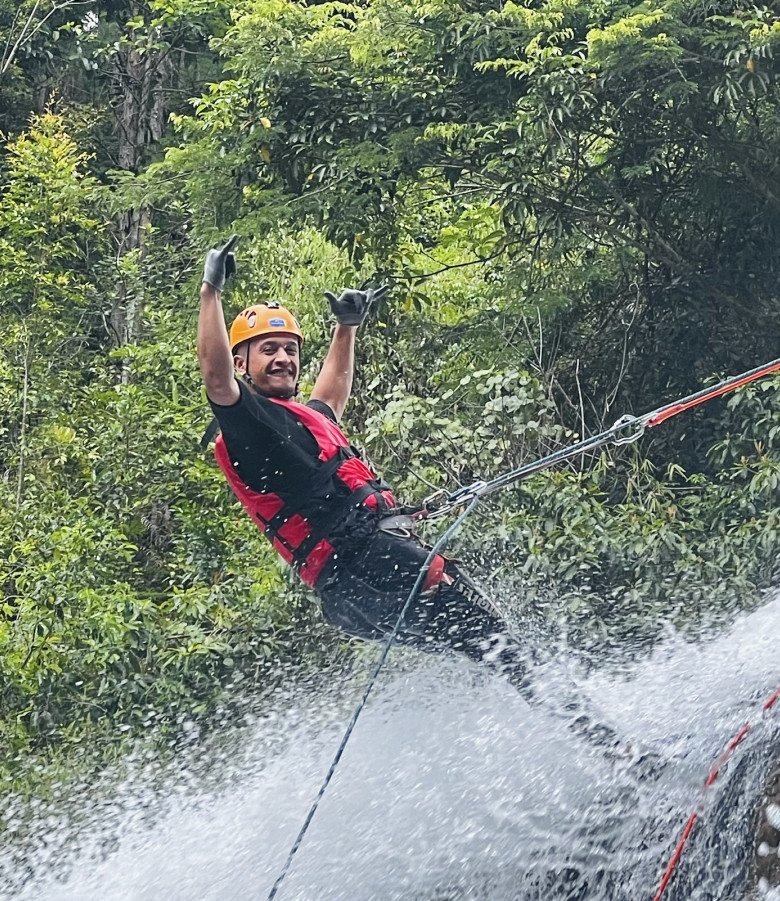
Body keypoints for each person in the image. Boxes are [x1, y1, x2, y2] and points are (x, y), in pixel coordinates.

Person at [196, 235, 532, 690]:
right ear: (242, 361)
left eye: (290, 349)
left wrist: (347, 326)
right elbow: (216, 379)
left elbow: (330, 396)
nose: (283, 359)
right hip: (372, 565)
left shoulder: (298, 420)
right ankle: (611, 744)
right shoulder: (250, 427)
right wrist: (210, 291)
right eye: (268, 349)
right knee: (508, 650)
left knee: (498, 654)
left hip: (352, 593)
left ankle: (590, 737)